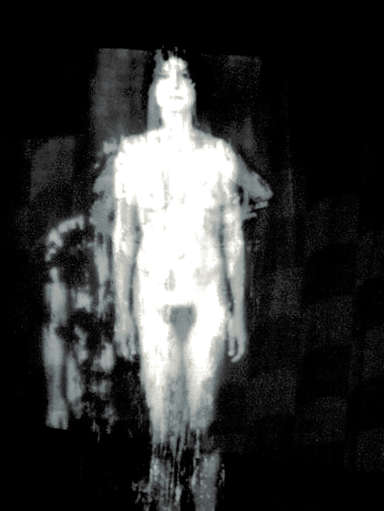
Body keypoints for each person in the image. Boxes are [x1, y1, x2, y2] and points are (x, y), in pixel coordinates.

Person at [111, 49, 270, 510]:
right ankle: (163, 499)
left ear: (196, 88)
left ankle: (204, 498)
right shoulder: (133, 155)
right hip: (152, 296)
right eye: (166, 76)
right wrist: (122, 312)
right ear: (154, 89)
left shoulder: (219, 155)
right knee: (162, 421)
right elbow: (124, 237)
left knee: (202, 417)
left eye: (184, 76)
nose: (176, 85)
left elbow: (232, 239)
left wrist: (237, 314)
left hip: (207, 297)